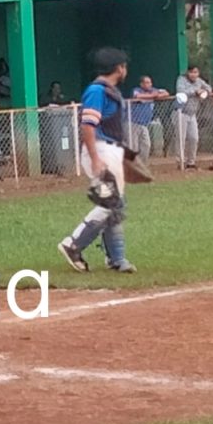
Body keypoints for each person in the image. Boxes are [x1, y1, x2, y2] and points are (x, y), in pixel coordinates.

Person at [57, 47, 136, 274]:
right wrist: (95, 158)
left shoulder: (107, 90)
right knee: (110, 203)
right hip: (100, 150)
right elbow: (88, 126)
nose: (125, 70)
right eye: (124, 66)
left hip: (109, 150)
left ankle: (117, 259)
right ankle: (73, 244)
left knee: (115, 206)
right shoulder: (97, 91)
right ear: (118, 68)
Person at [173, 64, 210, 170]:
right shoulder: (181, 79)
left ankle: (191, 162)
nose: (194, 75)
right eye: (192, 72)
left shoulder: (199, 81)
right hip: (181, 112)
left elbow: (209, 88)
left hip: (192, 113)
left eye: (196, 72)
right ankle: (180, 162)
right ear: (187, 72)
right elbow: (180, 91)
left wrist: (204, 92)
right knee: (181, 138)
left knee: (194, 138)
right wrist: (195, 92)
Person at [128, 75, 168, 166]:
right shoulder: (137, 90)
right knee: (133, 147)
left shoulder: (153, 90)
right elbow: (137, 96)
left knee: (146, 145)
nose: (149, 84)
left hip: (144, 123)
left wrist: (154, 95)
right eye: (146, 82)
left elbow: (166, 93)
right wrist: (153, 95)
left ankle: (142, 165)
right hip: (133, 122)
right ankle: (132, 166)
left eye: (150, 82)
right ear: (141, 84)